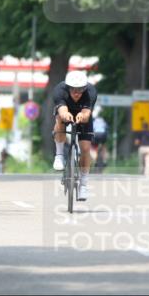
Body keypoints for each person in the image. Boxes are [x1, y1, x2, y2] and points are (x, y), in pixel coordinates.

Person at [52, 70, 97, 200]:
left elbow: (86, 113)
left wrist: (82, 116)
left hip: (83, 114)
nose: (76, 93)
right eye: (73, 90)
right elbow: (62, 110)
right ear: (67, 87)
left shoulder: (91, 92)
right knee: (60, 120)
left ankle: (83, 185)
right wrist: (65, 115)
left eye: (80, 90)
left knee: (85, 149)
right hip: (65, 111)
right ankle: (59, 155)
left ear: (85, 88)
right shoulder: (59, 90)